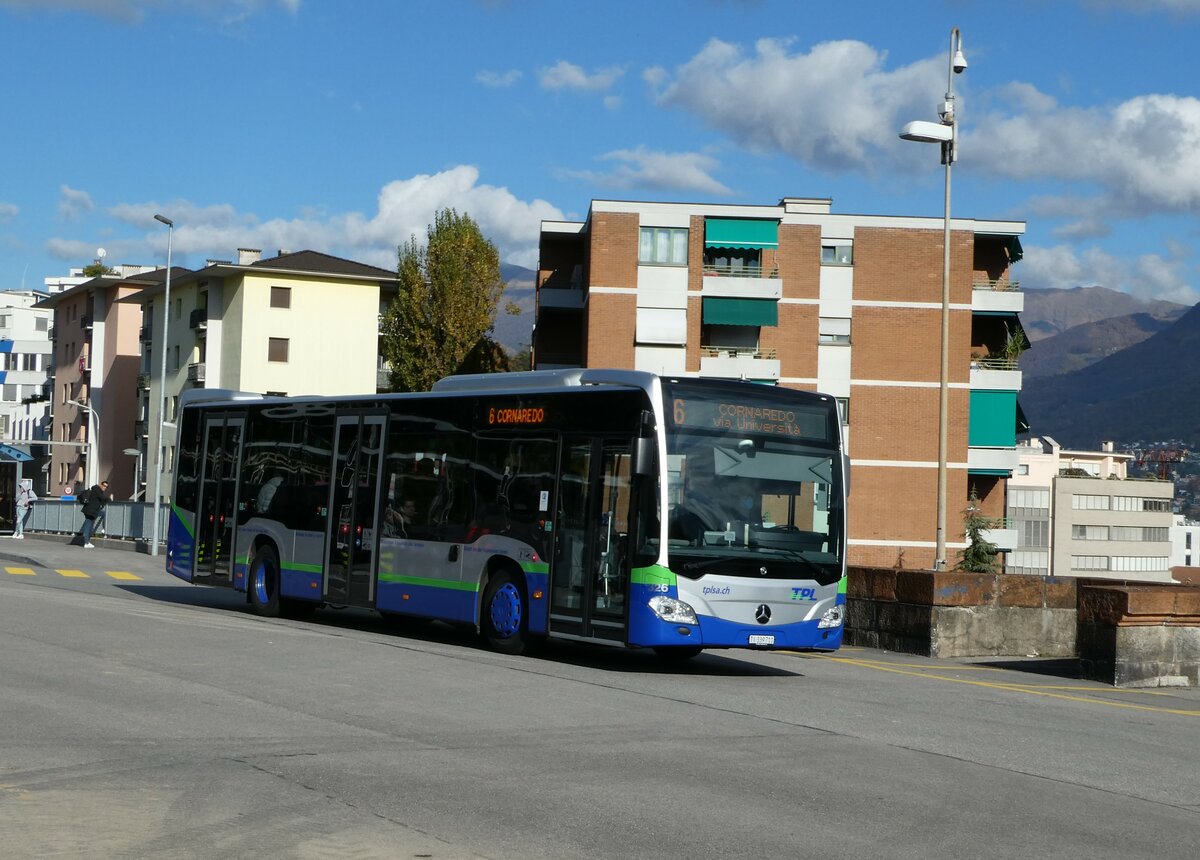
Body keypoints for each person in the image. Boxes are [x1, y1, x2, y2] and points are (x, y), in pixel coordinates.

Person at [77, 480, 110, 548]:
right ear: (101, 485)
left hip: (92, 511)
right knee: (88, 526)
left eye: (106, 487)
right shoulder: (97, 490)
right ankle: (86, 542)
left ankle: (87, 542)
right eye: (104, 486)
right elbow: (103, 498)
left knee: (90, 525)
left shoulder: (97, 490)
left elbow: (101, 500)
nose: (105, 488)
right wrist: (110, 498)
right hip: (90, 511)